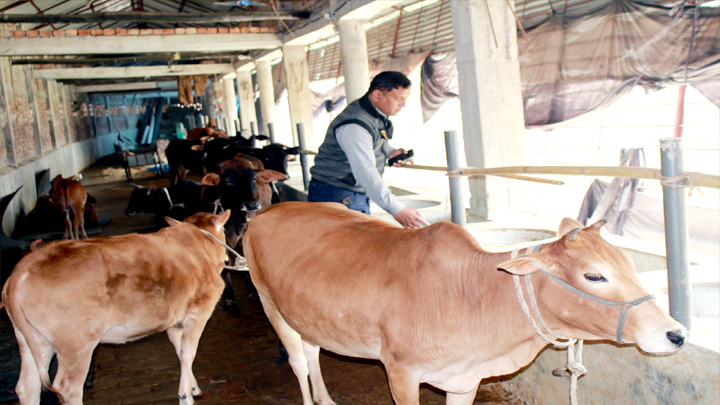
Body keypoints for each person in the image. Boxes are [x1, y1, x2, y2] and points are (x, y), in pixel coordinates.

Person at [308, 71, 430, 229]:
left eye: (406, 99)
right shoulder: (355, 125)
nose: (403, 104)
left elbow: (373, 141)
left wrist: (390, 151)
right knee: (350, 249)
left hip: (347, 192)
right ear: (378, 95)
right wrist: (398, 210)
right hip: (339, 195)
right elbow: (365, 173)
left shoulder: (373, 113)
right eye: (399, 98)